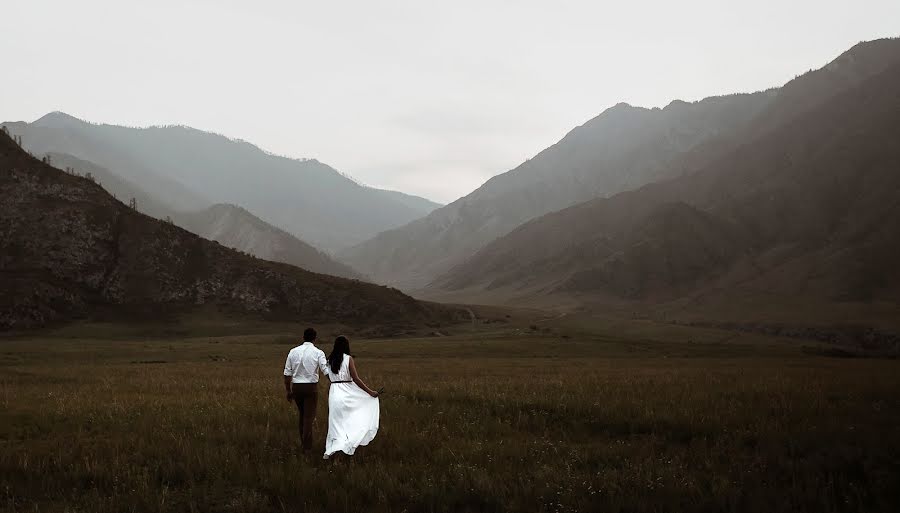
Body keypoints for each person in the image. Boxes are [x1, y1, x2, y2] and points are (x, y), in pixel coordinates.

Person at [323, 336, 380, 460]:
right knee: (350, 421)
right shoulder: (348, 359)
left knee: (336, 424)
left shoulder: (329, 360)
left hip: (334, 393)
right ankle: (347, 446)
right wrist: (370, 392)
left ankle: (334, 449)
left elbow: (329, 377)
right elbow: (356, 378)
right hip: (347, 393)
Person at [283, 327, 328, 452]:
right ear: (315, 338)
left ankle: (304, 442)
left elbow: (287, 374)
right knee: (309, 417)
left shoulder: (293, 351)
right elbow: (325, 370)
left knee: (302, 416)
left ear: (303, 337)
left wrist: (288, 391)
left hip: (296, 387)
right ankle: (306, 447)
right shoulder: (318, 352)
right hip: (311, 388)